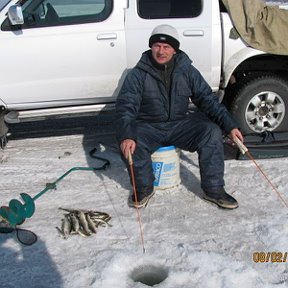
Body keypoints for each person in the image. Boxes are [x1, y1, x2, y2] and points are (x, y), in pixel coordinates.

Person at [115, 24, 243, 209]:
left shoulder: (187, 71)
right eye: (157, 46)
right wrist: (127, 135)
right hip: (149, 127)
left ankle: (214, 189)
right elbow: (126, 107)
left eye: (166, 47)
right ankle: (143, 188)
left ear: (175, 49)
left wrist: (230, 126)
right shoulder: (137, 75)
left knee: (211, 132)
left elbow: (208, 100)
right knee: (129, 141)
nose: (161, 51)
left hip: (179, 126)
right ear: (151, 47)